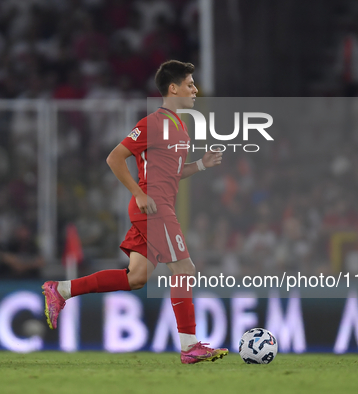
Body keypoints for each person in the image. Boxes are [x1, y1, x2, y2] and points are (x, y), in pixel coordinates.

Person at [42, 60, 227, 364]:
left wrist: (202, 165)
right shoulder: (153, 123)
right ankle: (189, 346)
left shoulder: (180, 128)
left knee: (137, 277)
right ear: (173, 88)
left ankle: (61, 289)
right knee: (184, 269)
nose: (195, 89)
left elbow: (173, 173)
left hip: (158, 205)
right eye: (190, 83)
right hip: (153, 206)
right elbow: (115, 157)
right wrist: (139, 193)